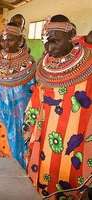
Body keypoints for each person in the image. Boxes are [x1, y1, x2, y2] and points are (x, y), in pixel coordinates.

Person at [25, 15, 92, 198]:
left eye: (55, 41)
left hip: (77, 140)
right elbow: (36, 99)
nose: (48, 48)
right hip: (46, 138)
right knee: (46, 178)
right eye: (46, 41)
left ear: (71, 36)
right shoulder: (44, 66)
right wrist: (28, 127)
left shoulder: (89, 62)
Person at [0, 22, 36, 166]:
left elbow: (31, 92)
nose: (5, 43)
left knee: (15, 146)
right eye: (3, 39)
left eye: (10, 39)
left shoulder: (29, 62)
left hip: (17, 114)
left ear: (20, 40)